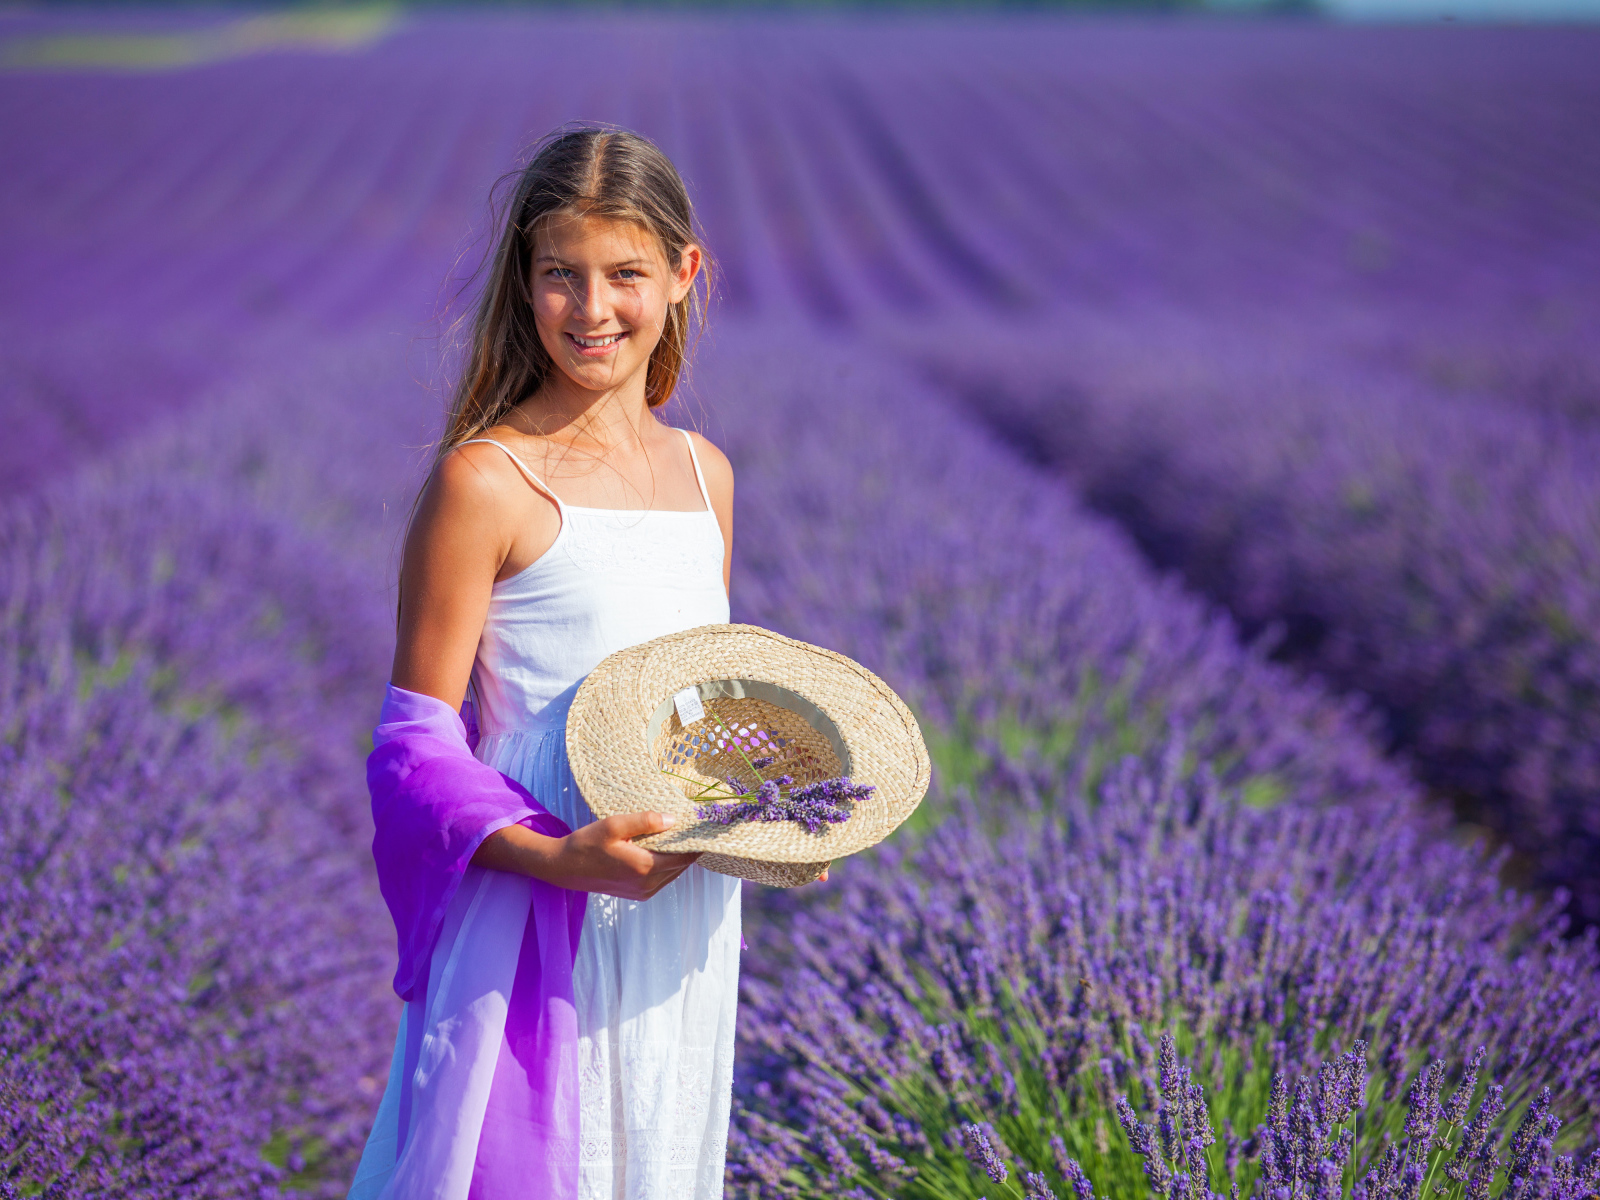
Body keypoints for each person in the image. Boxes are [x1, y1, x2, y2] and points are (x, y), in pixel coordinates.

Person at [350, 127, 812, 1200]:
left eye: (625, 275)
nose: (591, 308)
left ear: (685, 275)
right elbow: (411, 751)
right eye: (560, 274)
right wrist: (560, 860)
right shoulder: (489, 481)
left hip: (679, 910)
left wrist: (780, 820)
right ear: (525, 280)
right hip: (539, 906)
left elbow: (704, 706)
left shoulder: (708, 477)